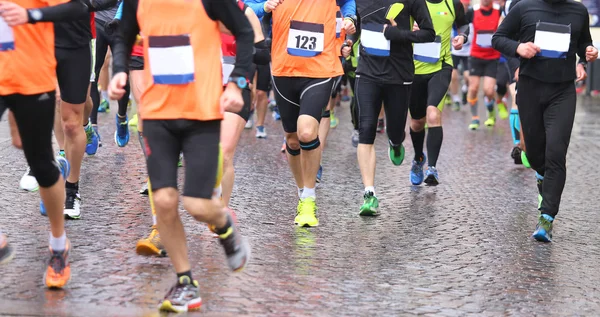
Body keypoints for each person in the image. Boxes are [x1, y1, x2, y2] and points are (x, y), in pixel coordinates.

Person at [109, 0, 253, 312]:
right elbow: (122, 35)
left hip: (201, 116)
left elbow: (244, 31)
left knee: (196, 204)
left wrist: (237, 83)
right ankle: (186, 281)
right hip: (157, 114)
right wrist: (119, 70)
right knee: (163, 201)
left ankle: (225, 224)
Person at [0, 0, 101, 288]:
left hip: (32, 75)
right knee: (24, 144)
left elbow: (77, 7)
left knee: (43, 163)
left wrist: (30, 15)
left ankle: (58, 244)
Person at [492, 0, 598, 242]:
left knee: (556, 152)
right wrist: (519, 48)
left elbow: (584, 44)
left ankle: (546, 219)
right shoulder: (524, 7)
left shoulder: (578, 11)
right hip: (530, 88)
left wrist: (586, 57)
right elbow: (498, 38)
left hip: (562, 91)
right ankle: (541, 174)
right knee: (536, 154)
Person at [265, 0, 356, 227]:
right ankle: (301, 190)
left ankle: (308, 199)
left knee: (306, 132)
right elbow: (249, 5)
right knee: (292, 140)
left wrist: (350, 19)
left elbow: (348, 2)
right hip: (283, 69)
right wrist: (265, 7)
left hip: (319, 68)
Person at [354, 0, 435, 216]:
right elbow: (355, 25)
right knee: (366, 128)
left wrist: (398, 34)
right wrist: (347, 43)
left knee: (396, 131)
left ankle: (396, 142)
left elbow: (428, 33)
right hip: (367, 72)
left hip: (399, 75)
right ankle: (369, 194)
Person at [408, 0, 470, 186]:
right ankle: (419, 158)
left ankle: (432, 169)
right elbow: (393, 24)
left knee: (433, 114)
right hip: (414, 69)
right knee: (417, 123)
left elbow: (464, 24)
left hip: (441, 67)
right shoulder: (412, 3)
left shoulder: (453, 4)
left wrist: (462, 37)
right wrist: (409, 28)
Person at [465, 0, 502, 130]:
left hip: (492, 56)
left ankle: (491, 113)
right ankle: (475, 118)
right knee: (473, 88)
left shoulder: (499, 10)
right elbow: (464, 26)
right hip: (476, 55)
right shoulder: (472, 11)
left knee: (489, 90)